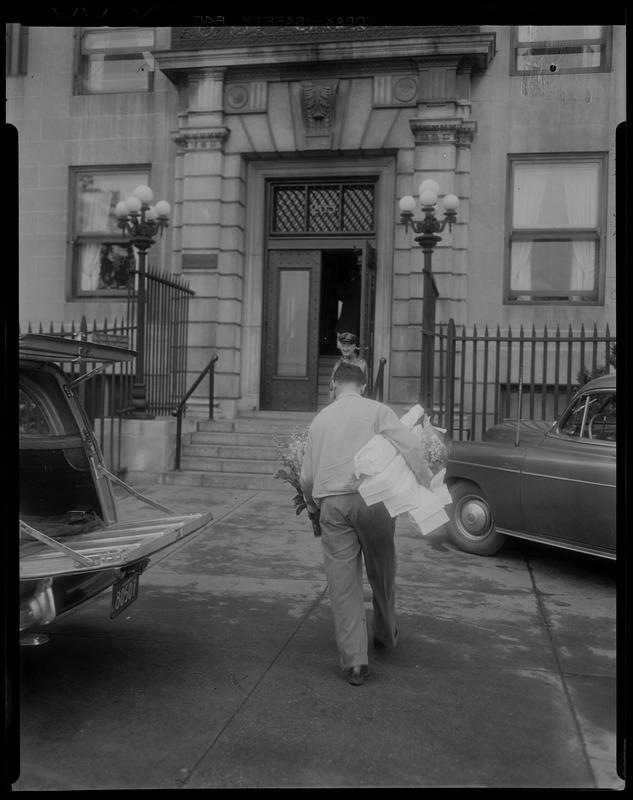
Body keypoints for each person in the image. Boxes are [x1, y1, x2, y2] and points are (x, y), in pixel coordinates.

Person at [300, 362, 434, 686]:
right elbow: (410, 446)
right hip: (374, 499)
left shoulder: (320, 420)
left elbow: (306, 476)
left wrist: (312, 508)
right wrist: (425, 481)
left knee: (342, 583)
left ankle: (355, 662)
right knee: (382, 568)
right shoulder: (377, 410)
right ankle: (386, 634)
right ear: (362, 386)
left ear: (334, 384)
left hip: (333, 502)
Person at [329, 332, 367, 402]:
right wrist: (331, 402)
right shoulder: (338, 363)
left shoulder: (360, 363)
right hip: (339, 400)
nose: (345, 349)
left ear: (354, 347)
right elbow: (332, 385)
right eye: (343, 346)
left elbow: (363, 385)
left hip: (355, 400)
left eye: (348, 346)